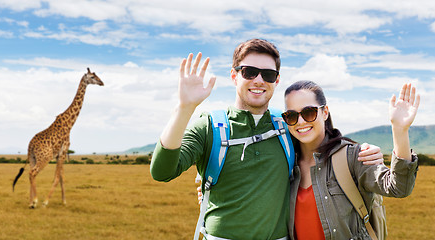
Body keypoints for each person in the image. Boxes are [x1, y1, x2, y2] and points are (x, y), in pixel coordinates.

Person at [150, 39, 383, 239]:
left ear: (276, 81)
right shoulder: (209, 125)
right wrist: (184, 107)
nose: (259, 80)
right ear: (234, 76)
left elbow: (321, 141)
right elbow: (161, 171)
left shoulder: (287, 126)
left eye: (268, 74)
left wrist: (362, 150)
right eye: (249, 72)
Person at [284, 80, 419, 239]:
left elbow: (399, 187)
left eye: (309, 112)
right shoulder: (286, 164)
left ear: (325, 112)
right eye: (291, 115)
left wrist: (400, 130)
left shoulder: (351, 156)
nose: (300, 122)